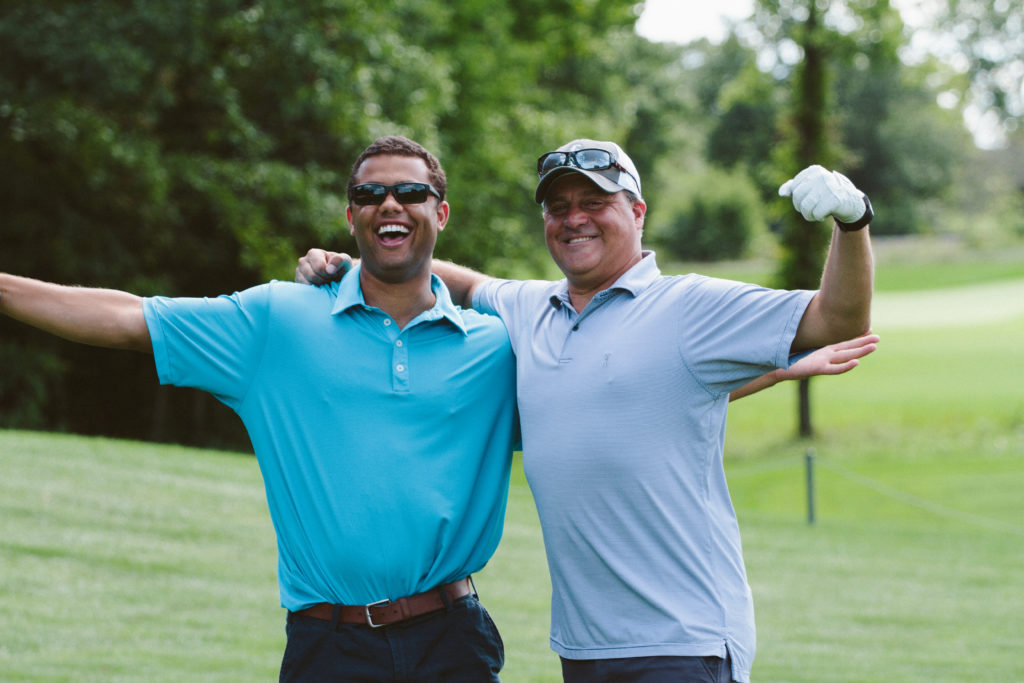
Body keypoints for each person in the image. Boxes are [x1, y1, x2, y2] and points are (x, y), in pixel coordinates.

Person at [296, 138, 877, 683]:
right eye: (558, 206)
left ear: (638, 210)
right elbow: (461, 282)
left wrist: (852, 223)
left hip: (681, 643)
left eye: (595, 202)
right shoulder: (531, 307)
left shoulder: (689, 306)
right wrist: (352, 266)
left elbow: (837, 320)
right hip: (584, 648)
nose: (574, 218)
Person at [0, 136, 519, 682]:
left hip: (452, 643)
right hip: (330, 646)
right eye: (369, 193)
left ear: (441, 213)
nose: (389, 203)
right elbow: (130, 319)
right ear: (351, 217)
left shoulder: (495, 349)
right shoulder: (278, 322)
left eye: (410, 191)